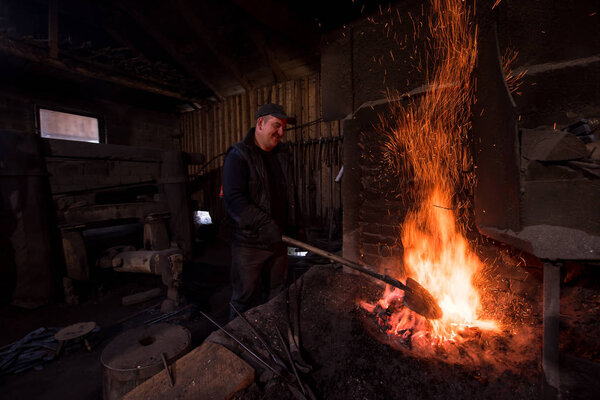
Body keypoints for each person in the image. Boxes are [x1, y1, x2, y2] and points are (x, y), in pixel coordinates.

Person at [222, 103, 300, 319]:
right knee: (244, 298)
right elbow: (234, 200)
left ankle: (271, 332)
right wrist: (264, 224)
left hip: (279, 241)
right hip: (250, 244)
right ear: (260, 124)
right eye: (277, 126)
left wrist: (292, 226)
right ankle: (236, 342)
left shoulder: (283, 155)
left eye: (284, 127)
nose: (281, 133)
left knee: (276, 293)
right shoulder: (238, 156)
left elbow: (289, 195)